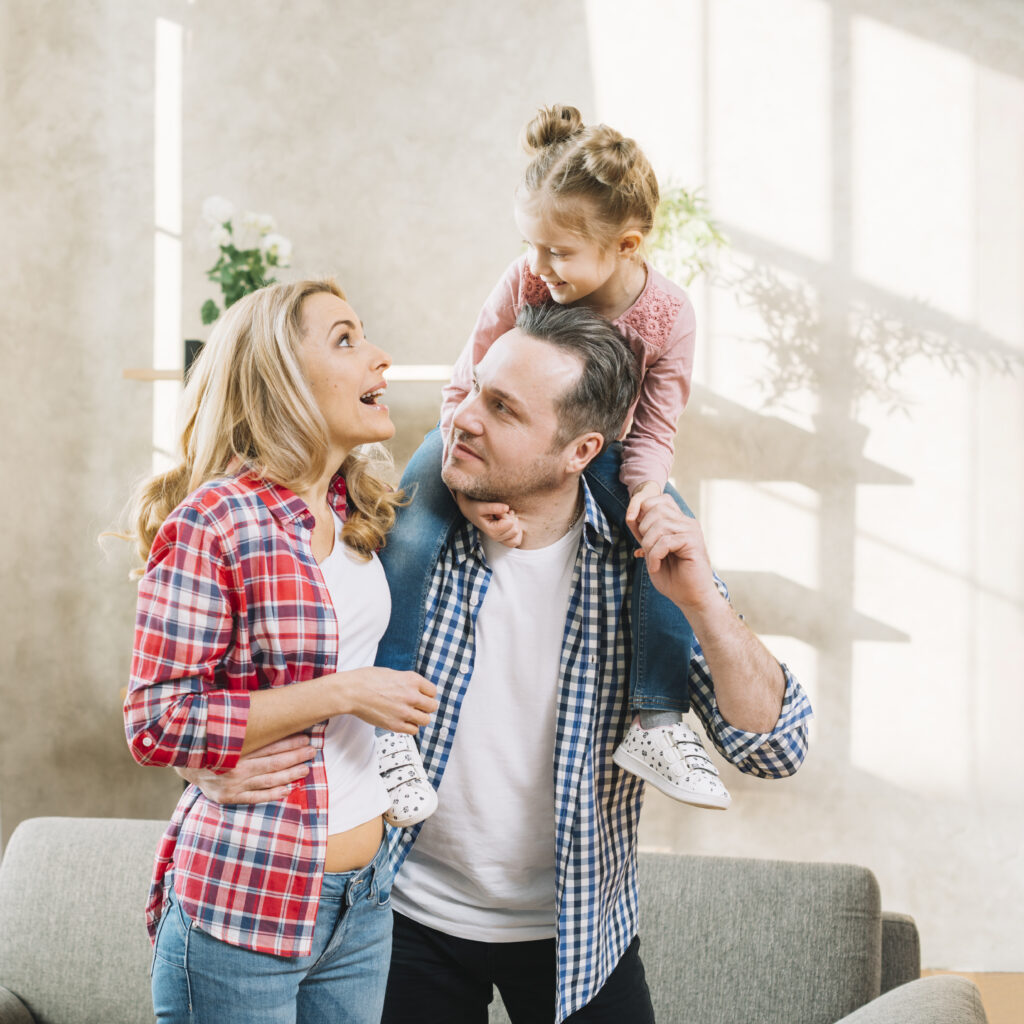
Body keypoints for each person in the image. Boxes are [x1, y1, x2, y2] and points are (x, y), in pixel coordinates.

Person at [181, 302, 813, 1023]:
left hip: (578, 934)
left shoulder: (646, 576)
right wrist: (205, 758)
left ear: (580, 451)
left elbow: (776, 748)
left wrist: (705, 604)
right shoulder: (389, 534)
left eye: (503, 409)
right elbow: (236, 677)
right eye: (475, 388)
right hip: (400, 916)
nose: (464, 417)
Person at [121, 279, 439, 1024]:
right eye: (346, 340)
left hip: (361, 907)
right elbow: (155, 720)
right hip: (247, 898)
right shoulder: (218, 520)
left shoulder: (355, 512)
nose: (379, 358)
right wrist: (343, 692)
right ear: (282, 378)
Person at [434, 102, 728, 810]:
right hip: (468, 429)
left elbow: (655, 427)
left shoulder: (668, 315)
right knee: (414, 524)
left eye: (558, 252)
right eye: (532, 245)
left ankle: (658, 720)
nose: (538, 267)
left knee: (664, 548)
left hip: (610, 454)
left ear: (628, 245)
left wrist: (648, 495)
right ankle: (386, 722)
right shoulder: (526, 280)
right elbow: (470, 376)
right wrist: (462, 475)